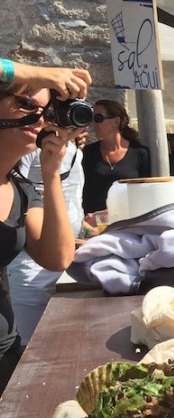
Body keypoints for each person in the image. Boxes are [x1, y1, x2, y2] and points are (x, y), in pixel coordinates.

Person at [0, 59, 89, 390]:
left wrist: (51, 172)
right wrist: (39, 74)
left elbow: (58, 257)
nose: (37, 117)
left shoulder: (19, 191)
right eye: (24, 104)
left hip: (5, 353)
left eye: (45, 111)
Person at [9, 137, 85, 342]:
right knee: (32, 346)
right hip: (30, 260)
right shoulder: (29, 143)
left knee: (61, 342)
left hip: (68, 251)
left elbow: (71, 196)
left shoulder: (72, 146)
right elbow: (16, 198)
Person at [81, 99, 151, 214]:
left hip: (129, 220)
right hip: (95, 223)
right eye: (92, 119)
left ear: (116, 121)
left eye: (98, 119)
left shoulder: (139, 153)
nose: (93, 124)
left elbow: (146, 192)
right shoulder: (87, 153)